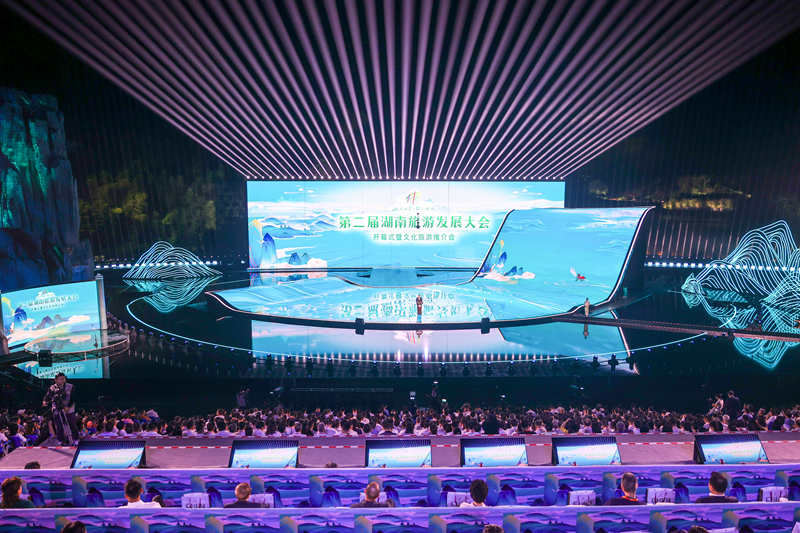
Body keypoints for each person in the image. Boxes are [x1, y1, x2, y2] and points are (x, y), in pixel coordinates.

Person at [42, 372, 77, 445]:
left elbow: (73, 398)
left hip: (69, 407)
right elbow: (47, 396)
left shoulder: (70, 386)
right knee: (58, 425)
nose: (62, 381)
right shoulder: (52, 387)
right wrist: (45, 401)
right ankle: (61, 440)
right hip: (57, 407)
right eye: (60, 379)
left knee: (71, 423)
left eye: (63, 379)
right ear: (56, 380)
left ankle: (75, 439)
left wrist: (68, 407)